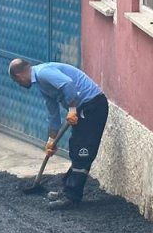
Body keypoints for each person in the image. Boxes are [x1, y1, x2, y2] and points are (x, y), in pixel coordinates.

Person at [8, 58, 109, 210]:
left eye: (17, 82)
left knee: (83, 151)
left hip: (92, 106)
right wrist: (51, 140)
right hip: (82, 108)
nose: (19, 85)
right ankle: (67, 189)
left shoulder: (43, 72)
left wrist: (72, 109)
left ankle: (72, 197)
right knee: (76, 147)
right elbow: (53, 113)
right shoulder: (41, 84)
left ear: (19, 76)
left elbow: (68, 84)